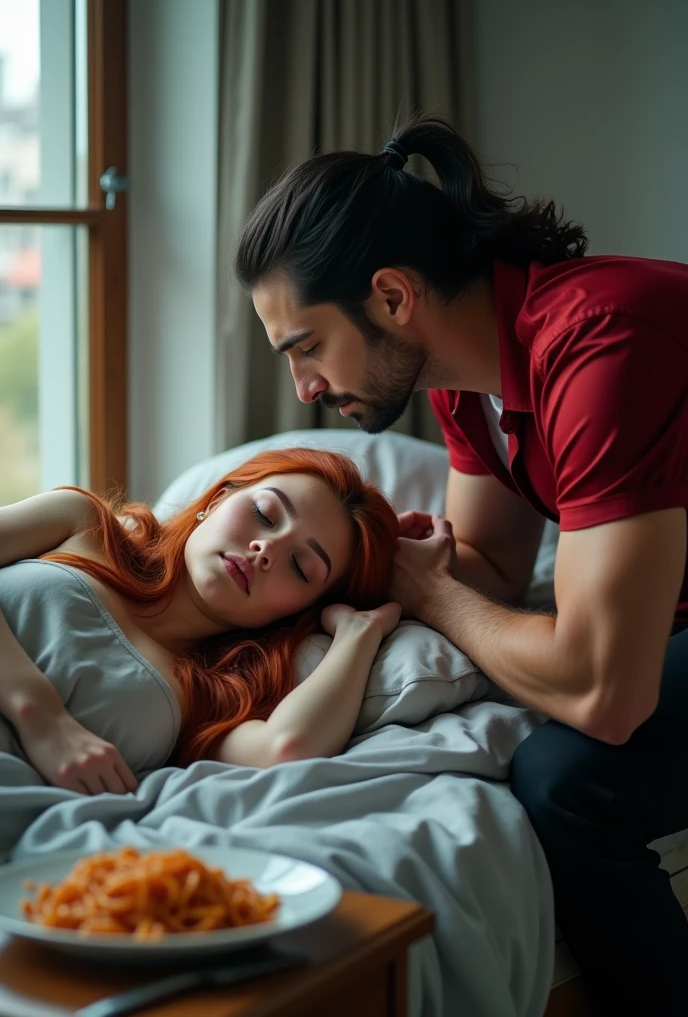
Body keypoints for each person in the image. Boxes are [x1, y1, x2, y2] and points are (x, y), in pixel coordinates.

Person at [234, 115, 688, 1014]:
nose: (304, 391)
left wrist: (433, 591)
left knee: (567, 783)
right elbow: (483, 565)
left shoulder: (600, 345)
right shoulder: (465, 387)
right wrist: (362, 587)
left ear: (394, 297)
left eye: (307, 347)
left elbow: (607, 693)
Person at [0, 447, 400, 795]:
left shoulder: (206, 701)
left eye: (300, 566)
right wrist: (40, 714)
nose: (266, 549)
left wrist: (357, 636)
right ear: (219, 498)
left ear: (300, 610)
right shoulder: (80, 522)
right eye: (264, 512)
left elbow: (285, 749)